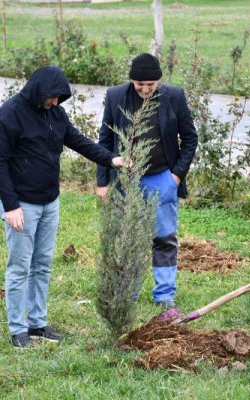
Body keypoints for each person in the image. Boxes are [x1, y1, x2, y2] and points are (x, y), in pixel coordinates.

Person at [0, 66, 124, 348]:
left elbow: (78, 142)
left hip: (49, 201)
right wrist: (11, 206)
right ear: (38, 90)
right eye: (52, 97)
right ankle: (18, 330)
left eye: (59, 98)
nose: (55, 102)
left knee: (42, 265)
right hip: (22, 205)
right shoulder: (9, 115)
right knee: (19, 266)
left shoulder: (56, 114)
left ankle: (37, 323)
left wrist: (111, 159)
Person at [96, 53, 198, 320]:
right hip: (125, 180)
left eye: (150, 84)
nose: (145, 89)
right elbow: (105, 141)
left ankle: (164, 294)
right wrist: (102, 181)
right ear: (132, 81)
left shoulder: (174, 96)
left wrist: (176, 176)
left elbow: (190, 138)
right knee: (126, 236)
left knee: (164, 237)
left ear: (159, 81)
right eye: (140, 83)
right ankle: (127, 290)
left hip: (162, 177)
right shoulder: (116, 96)